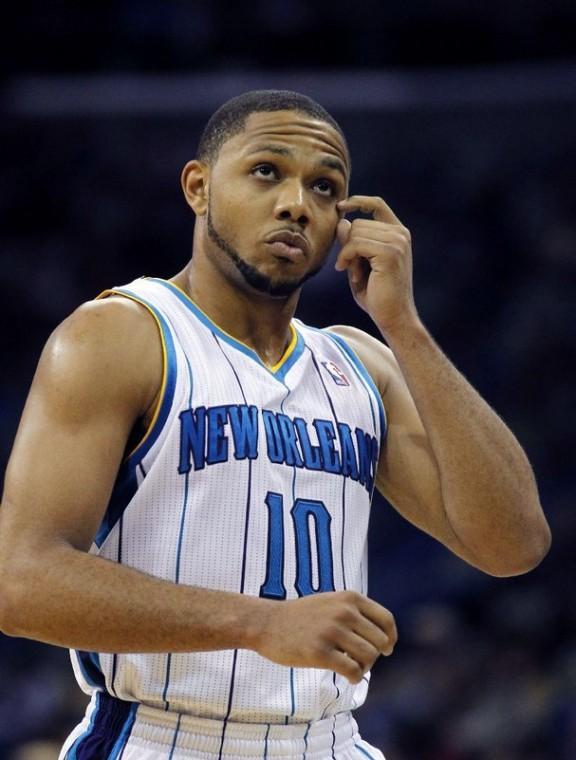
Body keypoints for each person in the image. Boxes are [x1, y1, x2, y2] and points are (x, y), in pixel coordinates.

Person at [0, 90, 550, 760]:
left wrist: (405, 327)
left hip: (332, 740)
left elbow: (513, 543)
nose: (296, 203)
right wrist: (259, 623)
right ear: (198, 188)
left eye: (324, 187)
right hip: (164, 738)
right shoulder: (119, 337)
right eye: (266, 171)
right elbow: (19, 581)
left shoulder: (363, 362)